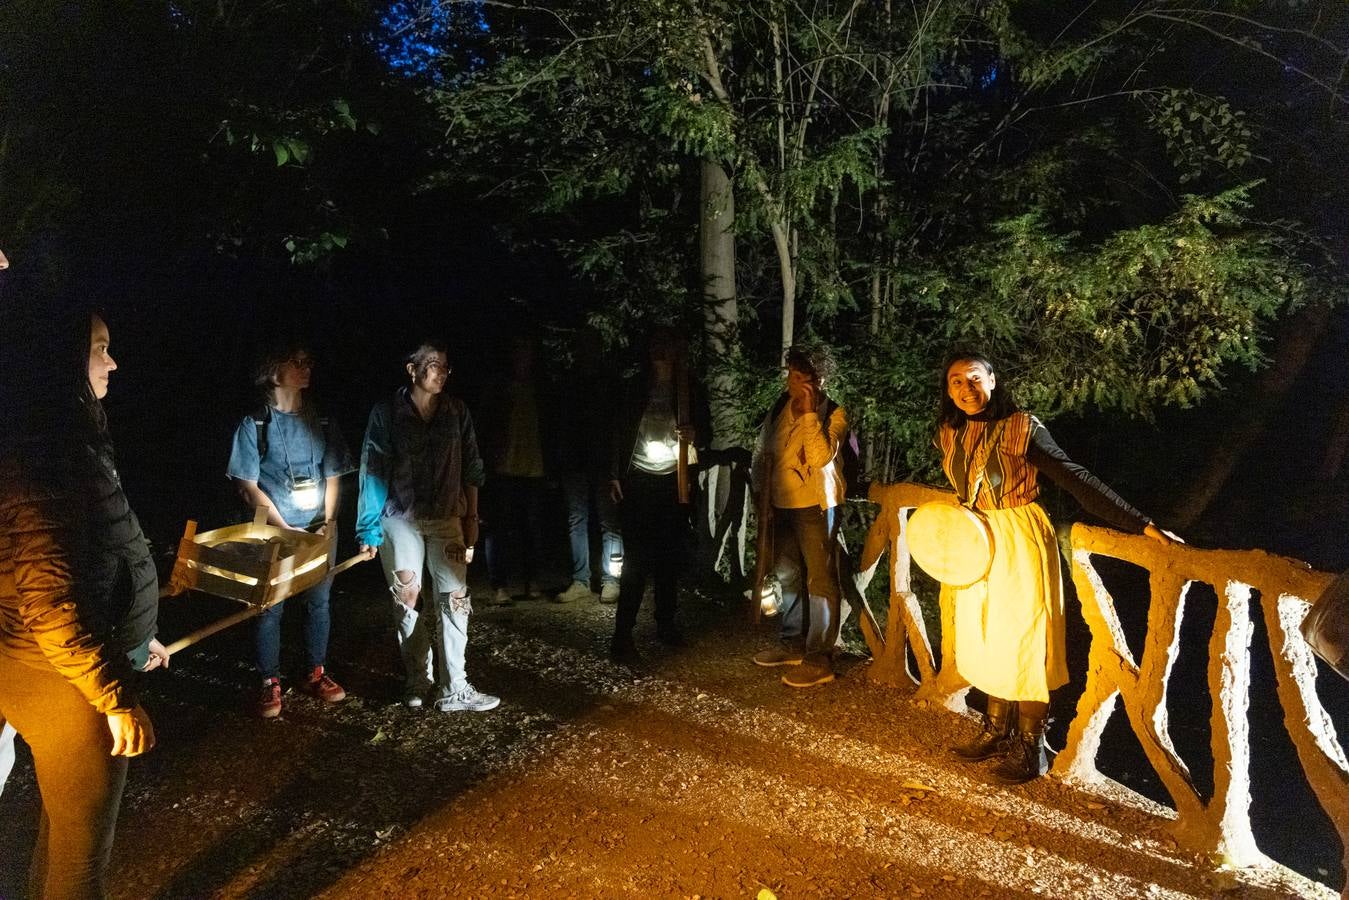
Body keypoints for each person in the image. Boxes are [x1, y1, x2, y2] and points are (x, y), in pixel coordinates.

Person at [936, 351, 1177, 783]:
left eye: (974, 379)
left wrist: (1142, 525)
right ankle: (995, 728)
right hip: (975, 539)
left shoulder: (1021, 427)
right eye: (956, 382)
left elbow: (1074, 476)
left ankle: (1032, 748)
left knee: (1027, 638)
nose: (965, 390)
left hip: (1019, 536)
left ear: (992, 380)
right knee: (986, 631)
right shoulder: (949, 432)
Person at [0, 301, 167, 899]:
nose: (113, 362)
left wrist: (136, 629)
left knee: (60, 839)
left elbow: (96, 557)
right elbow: (47, 597)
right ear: (61, 360)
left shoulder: (66, 434)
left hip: (64, 664)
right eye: (100, 347)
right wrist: (112, 694)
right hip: (61, 678)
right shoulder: (44, 446)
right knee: (78, 868)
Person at [356, 341, 499, 713]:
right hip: (399, 517)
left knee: (455, 598)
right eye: (433, 365)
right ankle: (418, 679)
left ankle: (456, 686)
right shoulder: (387, 413)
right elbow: (372, 468)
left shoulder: (455, 411)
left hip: (447, 516)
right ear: (412, 369)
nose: (440, 373)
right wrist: (367, 529)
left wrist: (472, 517)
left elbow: (472, 464)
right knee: (407, 597)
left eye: (445, 367)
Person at [226, 342, 354, 718]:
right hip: (275, 532)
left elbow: (333, 475)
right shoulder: (255, 422)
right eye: (295, 362)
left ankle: (315, 672)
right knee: (270, 607)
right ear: (271, 370)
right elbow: (248, 485)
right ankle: (269, 681)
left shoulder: (322, 419)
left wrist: (329, 524)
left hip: (317, 529)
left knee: (319, 602)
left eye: (308, 361)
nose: (306, 367)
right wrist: (285, 530)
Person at [750, 346, 850, 688]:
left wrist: (809, 414)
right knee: (787, 573)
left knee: (820, 579)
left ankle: (819, 655)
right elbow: (764, 450)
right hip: (780, 503)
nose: (799, 385)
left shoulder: (834, 414)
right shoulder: (778, 406)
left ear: (821, 381)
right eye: (794, 377)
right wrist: (760, 494)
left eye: (808, 379)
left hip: (816, 506)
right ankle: (793, 639)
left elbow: (822, 457)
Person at [608, 329, 709, 663]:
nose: (660, 352)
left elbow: (707, 432)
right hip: (638, 481)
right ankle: (622, 638)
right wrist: (614, 473)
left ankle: (665, 624)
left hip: (674, 482)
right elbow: (616, 431)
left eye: (666, 346)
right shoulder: (635, 387)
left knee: (669, 557)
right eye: (655, 346)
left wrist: (695, 433)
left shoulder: (689, 389)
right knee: (636, 560)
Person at [479, 335, 553, 606]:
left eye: (527, 351)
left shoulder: (540, 388)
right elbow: (486, 427)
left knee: (531, 529)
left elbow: (549, 427)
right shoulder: (499, 388)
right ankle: (499, 585)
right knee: (499, 529)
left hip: (534, 470)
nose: (523, 357)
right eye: (518, 351)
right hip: (503, 470)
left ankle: (532, 582)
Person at [555, 329, 623, 605]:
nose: (587, 352)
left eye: (590, 346)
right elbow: (561, 423)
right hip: (575, 462)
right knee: (577, 520)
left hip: (603, 462)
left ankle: (611, 580)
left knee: (609, 523)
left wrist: (616, 468)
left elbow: (617, 426)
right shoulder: (569, 383)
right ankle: (581, 580)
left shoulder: (609, 383)